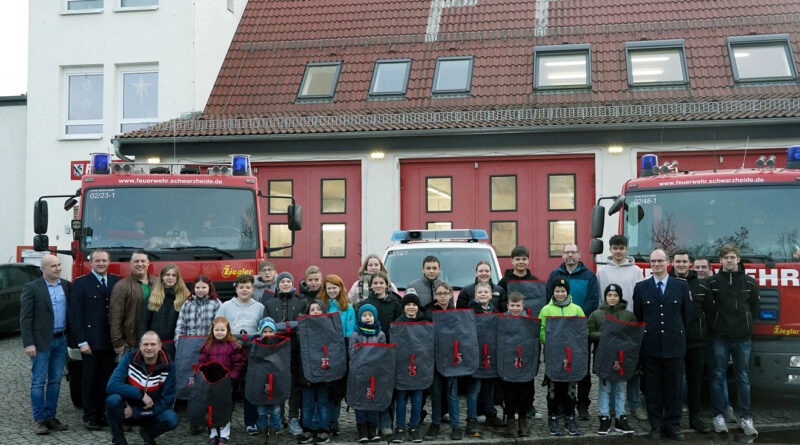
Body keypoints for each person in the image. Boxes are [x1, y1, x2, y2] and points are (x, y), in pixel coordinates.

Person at [633, 249, 691, 441]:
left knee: (674, 389)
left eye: (660, 261)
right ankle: (656, 426)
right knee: (653, 389)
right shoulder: (641, 288)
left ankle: (673, 425)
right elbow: (640, 317)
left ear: (668, 262)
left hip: (674, 345)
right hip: (651, 346)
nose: (656, 264)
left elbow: (687, 317)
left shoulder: (681, 287)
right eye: (653, 261)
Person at [705, 244, 760, 436]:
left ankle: (746, 418)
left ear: (738, 259)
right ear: (720, 261)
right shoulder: (712, 282)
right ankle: (718, 416)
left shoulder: (750, 283)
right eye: (726, 257)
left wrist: (747, 326)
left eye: (733, 257)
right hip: (719, 338)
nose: (729, 260)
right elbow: (709, 310)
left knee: (743, 378)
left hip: (742, 338)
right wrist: (716, 326)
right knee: (717, 376)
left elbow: (755, 308)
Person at [546, 244, 599, 420]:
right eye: (567, 252)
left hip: (580, 330)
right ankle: (561, 405)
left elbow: (593, 301)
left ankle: (583, 405)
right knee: (560, 367)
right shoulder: (555, 275)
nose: (570, 255)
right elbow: (548, 299)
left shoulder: (589, 276)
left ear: (579, 254)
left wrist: (574, 317)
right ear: (563, 255)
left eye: (573, 252)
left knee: (582, 369)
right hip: (559, 333)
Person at [69, 249, 120, 431]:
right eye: (97, 260)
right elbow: (75, 316)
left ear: (109, 262)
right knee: (89, 380)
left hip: (109, 341)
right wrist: (81, 341)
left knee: (106, 380)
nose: (101, 264)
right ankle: (90, 416)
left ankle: (101, 414)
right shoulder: (80, 284)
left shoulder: (115, 281)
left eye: (104, 260)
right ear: (91, 263)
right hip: (90, 342)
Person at [595, 235, 645, 420]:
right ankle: (611, 407)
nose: (618, 251)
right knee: (611, 365)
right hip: (610, 326)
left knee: (632, 366)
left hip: (630, 323)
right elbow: (600, 299)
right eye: (615, 248)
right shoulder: (602, 272)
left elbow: (639, 297)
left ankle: (635, 404)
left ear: (626, 250)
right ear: (610, 249)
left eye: (621, 248)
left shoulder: (637, 271)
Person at [20, 254, 71, 435]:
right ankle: (39, 419)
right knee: (38, 382)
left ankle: (51, 417)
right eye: (53, 266)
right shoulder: (32, 288)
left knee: (56, 381)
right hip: (41, 342)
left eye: (58, 265)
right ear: (43, 269)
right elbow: (25, 318)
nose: (58, 268)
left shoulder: (66, 285)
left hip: (61, 340)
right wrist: (28, 343)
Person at [105, 331, 179, 445]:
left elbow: (166, 401)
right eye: (145, 344)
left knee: (171, 419)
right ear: (140, 346)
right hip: (126, 409)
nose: (149, 348)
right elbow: (112, 385)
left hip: (151, 411)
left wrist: (135, 412)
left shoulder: (169, 367)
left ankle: (148, 433)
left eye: (153, 344)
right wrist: (140, 394)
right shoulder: (128, 359)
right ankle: (119, 441)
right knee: (112, 400)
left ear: (160, 346)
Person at [497, 245, 544, 420]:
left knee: (529, 370)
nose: (521, 262)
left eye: (524, 259)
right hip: (510, 335)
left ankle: (528, 406)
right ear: (512, 261)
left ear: (528, 260)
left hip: (528, 336)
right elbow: (501, 305)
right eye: (517, 259)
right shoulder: (504, 282)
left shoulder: (535, 281)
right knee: (509, 371)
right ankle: (510, 408)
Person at [215, 273, 265, 435]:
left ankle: (251, 422)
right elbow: (217, 327)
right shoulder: (226, 306)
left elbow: (263, 328)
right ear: (236, 289)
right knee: (228, 387)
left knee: (249, 387)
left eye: (248, 287)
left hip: (251, 350)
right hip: (230, 350)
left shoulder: (259, 307)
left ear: (252, 289)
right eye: (241, 287)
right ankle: (223, 422)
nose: (244, 290)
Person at [669, 249, 712, 433]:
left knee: (695, 381)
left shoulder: (702, 287)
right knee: (673, 381)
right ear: (672, 262)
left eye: (684, 262)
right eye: (677, 261)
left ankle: (696, 417)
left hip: (696, 341)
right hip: (673, 341)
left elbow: (710, 312)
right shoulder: (667, 284)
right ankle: (673, 419)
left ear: (690, 264)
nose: (681, 265)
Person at [587, 284, 637, 436]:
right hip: (604, 357)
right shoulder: (596, 314)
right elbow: (589, 332)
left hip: (622, 357)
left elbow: (634, 333)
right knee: (605, 388)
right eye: (609, 295)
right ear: (605, 297)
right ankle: (604, 417)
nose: (612, 298)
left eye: (615, 295)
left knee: (621, 388)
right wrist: (604, 335)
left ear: (620, 297)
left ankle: (621, 418)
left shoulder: (628, 315)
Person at [262, 271, 306, 436]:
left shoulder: (301, 302)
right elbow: (266, 325)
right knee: (278, 384)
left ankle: (294, 417)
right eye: (283, 282)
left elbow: (304, 324)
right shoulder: (270, 303)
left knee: (295, 385)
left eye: (288, 281)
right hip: (276, 349)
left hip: (296, 348)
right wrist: (288, 326)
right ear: (278, 284)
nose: (286, 284)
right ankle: (278, 417)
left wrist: (285, 325)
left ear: (292, 284)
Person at [539, 277, 585, 437]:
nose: (560, 294)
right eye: (557, 291)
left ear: (567, 292)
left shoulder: (577, 309)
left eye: (563, 291)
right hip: (553, 355)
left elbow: (582, 330)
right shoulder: (546, 310)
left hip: (571, 355)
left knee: (570, 389)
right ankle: (553, 417)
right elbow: (541, 329)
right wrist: (549, 342)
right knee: (554, 388)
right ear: (553, 292)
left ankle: (570, 417)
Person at [359, 270, 402, 436]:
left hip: (389, 349)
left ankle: (386, 422)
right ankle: (373, 423)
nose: (378, 285)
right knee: (372, 387)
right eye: (375, 283)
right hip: (369, 351)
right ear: (371, 285)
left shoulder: (394, 303)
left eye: (381, 283)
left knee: (386, 388)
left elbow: (399, 326)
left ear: (386, 284)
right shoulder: (365, 304)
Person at [423, 281, 463, 441]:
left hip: (451, 359)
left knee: (452, 394)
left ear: (450, 294)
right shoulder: (430, 313)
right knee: (436, 394)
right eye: (439, 293)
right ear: (435, 295)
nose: (442, 296)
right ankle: (435, 423)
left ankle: (456, 425)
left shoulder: (456, 313)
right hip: (434, 359)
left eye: (445, 293)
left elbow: (462, 336)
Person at [318, 274, 355, 436]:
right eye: (329, 288)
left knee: (337, 390)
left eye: (335, 287)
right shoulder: (322, 305)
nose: (332, 290)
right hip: (324, 351)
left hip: (341, 350)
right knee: (324, 389)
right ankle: (323, 422)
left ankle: (334, 421)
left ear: (340, 288)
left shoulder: (347, 307)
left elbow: (349, 330)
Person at [198, 316, 244, 445]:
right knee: (211, 407)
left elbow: (238, 364)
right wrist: (203, 376)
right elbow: (201, 362)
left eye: (222, 330)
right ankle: (213, 433)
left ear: (227, 331)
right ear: (212, 330)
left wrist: (232, 378)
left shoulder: (233, 346)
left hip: (226, 383)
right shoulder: (207, 346)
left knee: (225, 408)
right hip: (210, 382)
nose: (219, 332)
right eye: (217, 330)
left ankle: (224, 435)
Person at [465, 281, 499, 437]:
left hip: (490, 353)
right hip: (475, 354)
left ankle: (490, 415)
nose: (483, 294)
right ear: (475, 295)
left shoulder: (495, 311)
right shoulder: (470, 312)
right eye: (480, 292)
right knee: (474, 389)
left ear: (491, 295)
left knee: (489, 388)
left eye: (486, 292)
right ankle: (471, 418)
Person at [392, 291, 426, 443]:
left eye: (414, 305)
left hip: (419, 367)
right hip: (402, 368)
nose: (411, 307)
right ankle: (400, 428)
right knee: (401, 401)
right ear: (403, 307)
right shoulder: (397, 324)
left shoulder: (424, 324)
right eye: (408, 305)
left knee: (417, 401)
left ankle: (414, 428)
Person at [109, 251, 158, 357]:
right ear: (130, 264)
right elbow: (115, 316)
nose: (140, 264)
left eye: (143, 261)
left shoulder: (158, 283)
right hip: (131, 343)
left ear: (148, 263)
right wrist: (118, 343)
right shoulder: (121, 286)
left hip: (154, 343)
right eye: (136, 261)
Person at [500, 292, 535, 438]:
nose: (515, 308)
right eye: (512, 305)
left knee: (525, 394)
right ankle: (510, 423)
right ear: (508, 305)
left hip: (524, 363)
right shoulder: (503, 320)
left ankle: (523, 421)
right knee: (509, 394)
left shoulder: (528, 321)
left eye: (518, 306)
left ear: (523, 306)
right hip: (508, 362)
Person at [350, 304, 386, 443]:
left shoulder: (380, 334)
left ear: (374, 317)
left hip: (375, 374)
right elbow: (352, 353)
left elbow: (383, 353)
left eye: (370, 315)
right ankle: (362, 430)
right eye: (364, 315)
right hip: (359, 373)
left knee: (373, 400)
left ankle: (372, 429)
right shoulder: (355, 334)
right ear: (360, 317)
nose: (367, 318)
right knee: (360, 401)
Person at [298, 299, 332, 445]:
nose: (316, 312)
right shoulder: (302, 329)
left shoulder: (329, 329)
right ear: (308, 313)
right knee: (307, 403)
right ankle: (307, 429)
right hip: (306, 373)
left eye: (319, 309)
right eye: (313, 310)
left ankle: (324, 429)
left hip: (324, 372)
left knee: (323, 402)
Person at [139, 264, 190, 359]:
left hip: (178, 346)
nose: (170, 278)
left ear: (178, 278)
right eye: (167, 275)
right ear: (162, 277)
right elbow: (143, 325)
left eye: (173, 275)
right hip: (155, 346)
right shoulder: (152, 298)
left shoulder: (185, 298)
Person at [253, 317, 284, 442]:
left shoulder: (279, 346)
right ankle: (262, 431)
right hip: (261, 382)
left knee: (276, 410)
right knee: (261, 410)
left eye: (270, 331)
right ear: (260, 332)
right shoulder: (256, 345)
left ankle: (274, 431)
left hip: (275, 382)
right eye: (265, 331)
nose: (268, 334)